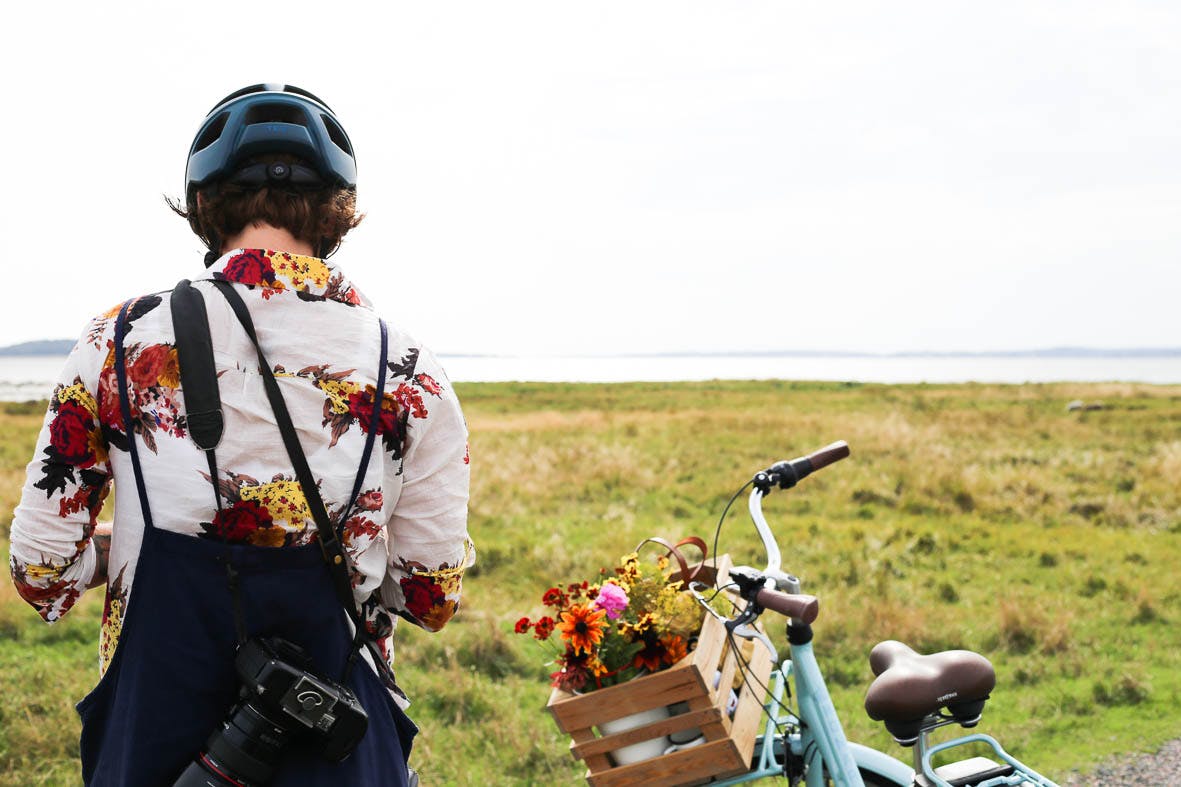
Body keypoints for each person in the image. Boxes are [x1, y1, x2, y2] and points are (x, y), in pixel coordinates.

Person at [8, 83, 474, 786]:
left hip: (156, 741)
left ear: (202, 202)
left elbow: (41, 571)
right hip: (333, 736)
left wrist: (121, 543)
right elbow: (430, 597)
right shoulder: (408, 369)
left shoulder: (121, 340)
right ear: (337, 209)